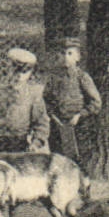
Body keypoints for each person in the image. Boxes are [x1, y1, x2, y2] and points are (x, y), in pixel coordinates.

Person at [43, 37, 102, 165]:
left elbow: (96, 102)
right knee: (58, 157)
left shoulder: (82, 77)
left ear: (78, 57)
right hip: (58, 124)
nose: (65, 57)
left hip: (78, 125)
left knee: (78, 158)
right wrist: (52, 115)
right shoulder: (53, 78)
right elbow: (46, 100)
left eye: (70, 53)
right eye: (62, 53)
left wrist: (80, 115)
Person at [0, 48, 50, 154]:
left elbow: (41, 124)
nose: (18, 75)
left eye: (24, 71)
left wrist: (36, 143)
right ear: (8, 68)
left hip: (19, 146)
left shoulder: (33, 96)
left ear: (30, 73)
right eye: (15, 69)